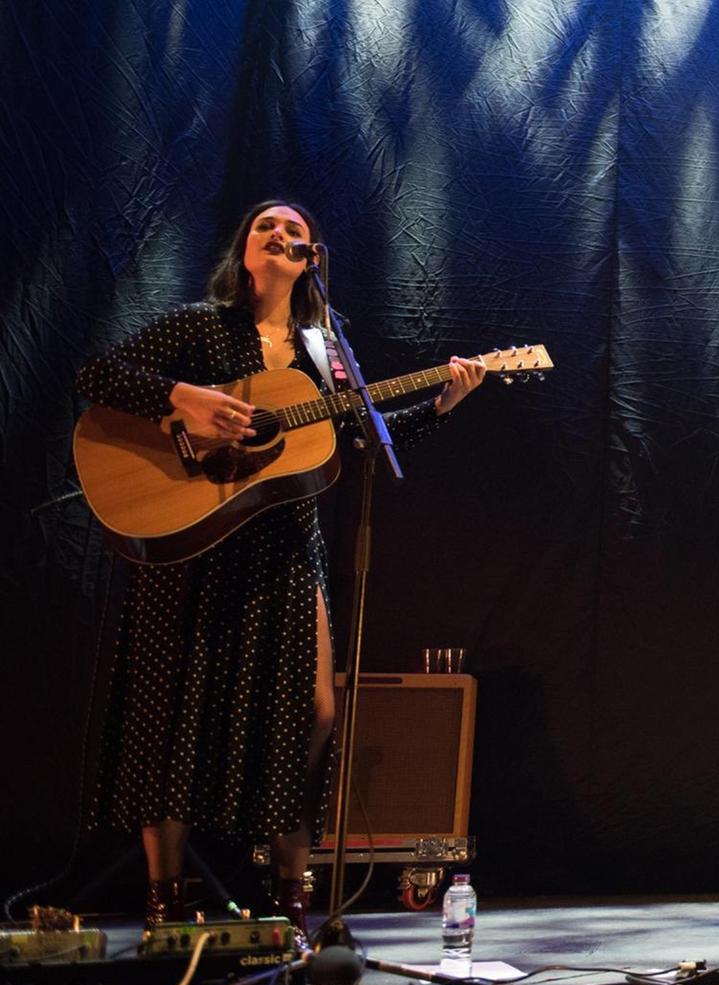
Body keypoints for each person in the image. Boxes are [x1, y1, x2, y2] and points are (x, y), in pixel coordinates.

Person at [74, 200, 487, 934]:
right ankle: (166, 897)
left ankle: (289, 895)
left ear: (312, 257)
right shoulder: (202, 326)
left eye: (297, 232)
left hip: (285, 545)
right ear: (244, 248)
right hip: (192, 539)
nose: (284, 236)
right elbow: (96, 376)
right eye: (268, 227)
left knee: (313, 712)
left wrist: (442, 406)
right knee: (174, 716)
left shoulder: (322, 349)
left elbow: (362, 442)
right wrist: (184, 398)